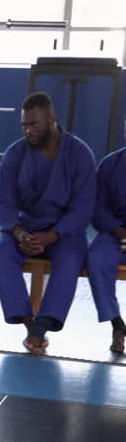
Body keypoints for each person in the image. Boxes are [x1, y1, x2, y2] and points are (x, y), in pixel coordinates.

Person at [0, 92, 96, 356]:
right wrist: (18, 232)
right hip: (24, 228)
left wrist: (53, 235)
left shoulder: (79, 153)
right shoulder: (15, 153)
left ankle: (43, 325)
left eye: (34, 124)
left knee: (71, 260)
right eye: (24, 125)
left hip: (64, 232)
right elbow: (3, 202)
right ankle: (29, 325)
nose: (29, 131)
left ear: (52, 121)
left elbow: (83, 207)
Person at [88, 126, 126, 354]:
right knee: (96, 258)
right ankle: (117, 324)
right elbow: (96, 205)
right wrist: (120, 233)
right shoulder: (110, 164)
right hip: (116, 233)